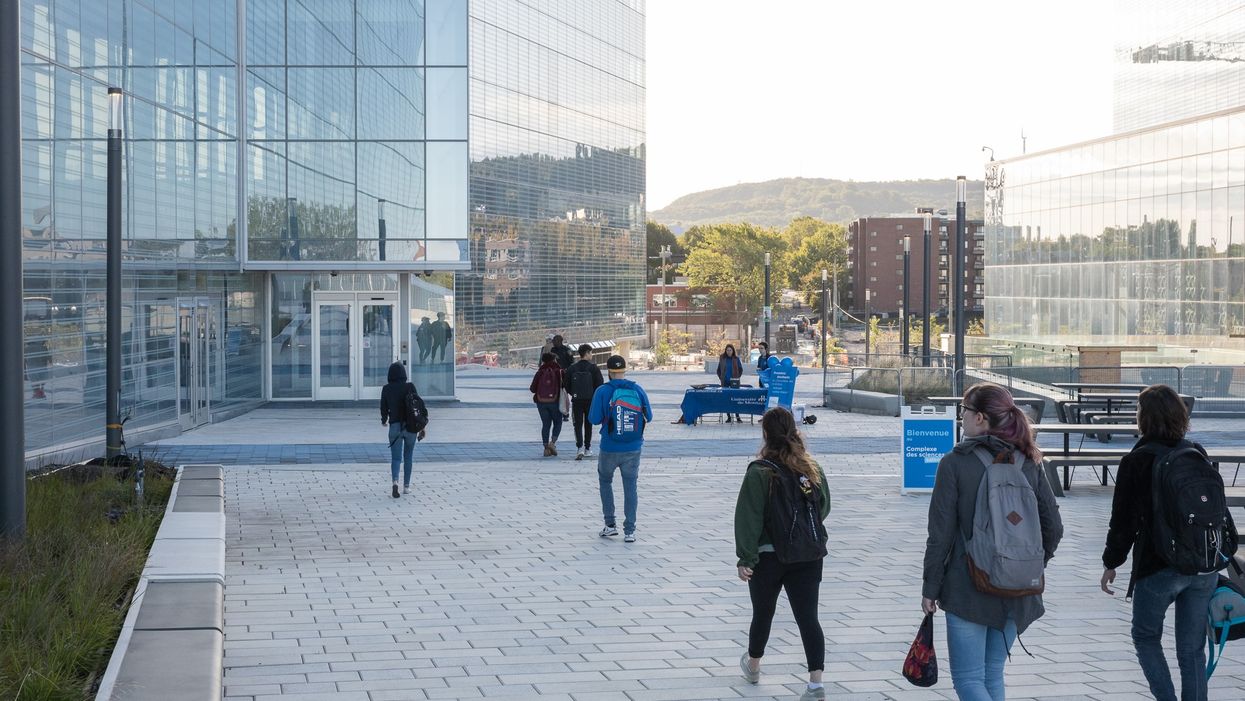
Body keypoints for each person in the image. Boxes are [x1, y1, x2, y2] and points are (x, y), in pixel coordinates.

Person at [922, 382, 1063, 701]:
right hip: (1018, 587)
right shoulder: (1028, 459)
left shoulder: (955, 463)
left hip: (967, 586)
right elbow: (1053, 526)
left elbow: (940, 534)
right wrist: (1027, 563)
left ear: (981, 417)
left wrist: (930, 587)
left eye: (964, 411)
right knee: (992, 673)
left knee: (969, 679)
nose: (961, 417)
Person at [1100, 384, 1222, 701]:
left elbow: (1123, 522)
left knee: (1145, 637)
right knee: (1192, 649)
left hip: (1158, 566)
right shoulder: (1195, 452)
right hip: (1202, 566)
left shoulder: (1136, 460)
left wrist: (1111, 562)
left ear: (1144, 417)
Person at [734, 407, 830, 700]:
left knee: (763, 613)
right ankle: (815, 683)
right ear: (794, 430)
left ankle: (753, 665)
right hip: (808, 555)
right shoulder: (811, 467)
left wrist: (746, 558)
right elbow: (823, 507)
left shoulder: (759, 471)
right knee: (808, 618)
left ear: (766, 434)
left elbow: (748, 518)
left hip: (768, 557)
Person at [588, 355, 652, 543]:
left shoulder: (602, 391)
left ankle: (610, 525)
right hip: (633, 447)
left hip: (609, 446)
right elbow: (649, 416)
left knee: (605, 481)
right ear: (624, 370)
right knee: (630, 486)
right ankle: (630, 531)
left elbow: (593, 419)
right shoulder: (637, 389)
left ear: (608, 371)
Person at [380, 361, 424, 498]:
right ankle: (406, 487)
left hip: (395, 427)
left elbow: (383, 408)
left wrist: (384, 420)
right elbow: (418, 407)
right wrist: (422, 426)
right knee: (408, 456)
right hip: (410, 427)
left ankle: (395, 482)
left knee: (396, 458)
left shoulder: (386, 389)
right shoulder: (410, 387)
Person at [565, 343, 604, 460]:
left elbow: (566, 384)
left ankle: (579, 448)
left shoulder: (572, 368)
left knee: (577, 424)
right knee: (588, 424)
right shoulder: (593, 368)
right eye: (591, 352)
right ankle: (587, 448)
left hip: (577, 401)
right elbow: (600, 384)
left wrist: (574, 393)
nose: (591, 355)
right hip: (590, 401)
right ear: (586, 353)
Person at [530, 352, 564, 456]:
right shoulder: (559, 372)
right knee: (558, 422)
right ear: (554, 360)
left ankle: (546, 449)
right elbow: (565, 386)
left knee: (546, 424)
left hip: (541, 402)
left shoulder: (540, 372)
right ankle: (552, 443)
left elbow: (532, 389)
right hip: (555, 401)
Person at [717, 344, 744, 423]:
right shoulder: (722, 358)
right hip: (725, 382)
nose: (728, 352)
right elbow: (718, 370)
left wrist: (737, 378)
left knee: (735, 399)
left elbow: (740, 369)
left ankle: (737, 417)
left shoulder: (736, 359)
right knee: (727, 399)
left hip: (734, 382)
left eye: (730, 350)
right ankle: (728, 417)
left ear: (733, 351)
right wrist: (721, 378)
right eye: (727, 350)